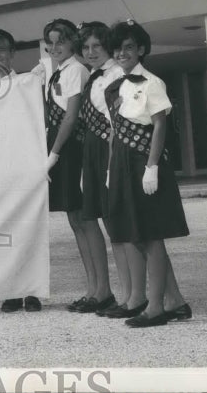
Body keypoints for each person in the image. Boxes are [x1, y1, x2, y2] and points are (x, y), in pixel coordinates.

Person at [105, 20, 191, 327]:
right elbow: (116, 132)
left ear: (141, 49)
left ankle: (155, 307)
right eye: (117, 48)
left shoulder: (152, 82)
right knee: (137, 236)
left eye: (129, 47)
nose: (122, 53)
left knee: (152, 236)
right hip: (122, 167)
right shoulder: (115, 87)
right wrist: (109, 171)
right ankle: (176, 302)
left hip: (145, 163)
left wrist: (152, 167)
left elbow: (159, 126)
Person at [0, 28, 39, 315]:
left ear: (13, 53)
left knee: (31, 229)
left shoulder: (28, 84)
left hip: (25, 164)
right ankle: (11, 291)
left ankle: (32, 290)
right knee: (3, 230)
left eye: (3, 49)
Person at [68, 21, 122, 315]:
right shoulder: (93, 76)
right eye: (86, 47)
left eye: (96, 47)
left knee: (118, 224)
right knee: (104, 219)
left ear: (107, 47)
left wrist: (112, 166)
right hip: (92, 151)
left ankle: (131, 295)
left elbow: (116, 124)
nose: (90, 52)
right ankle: (104, 292)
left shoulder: (115, 75)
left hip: (109, 152)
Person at [41, 18, 91, 312]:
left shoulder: (75, 70)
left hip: (72, 148)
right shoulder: (58, 71)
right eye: (51, 41)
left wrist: (54, 153)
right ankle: (92, 287)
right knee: (74, 220)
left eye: (61, 40)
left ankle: (99, 289)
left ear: (72, 42)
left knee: (83, 220)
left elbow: (71, 117)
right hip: (62, 147)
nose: (55, 46)